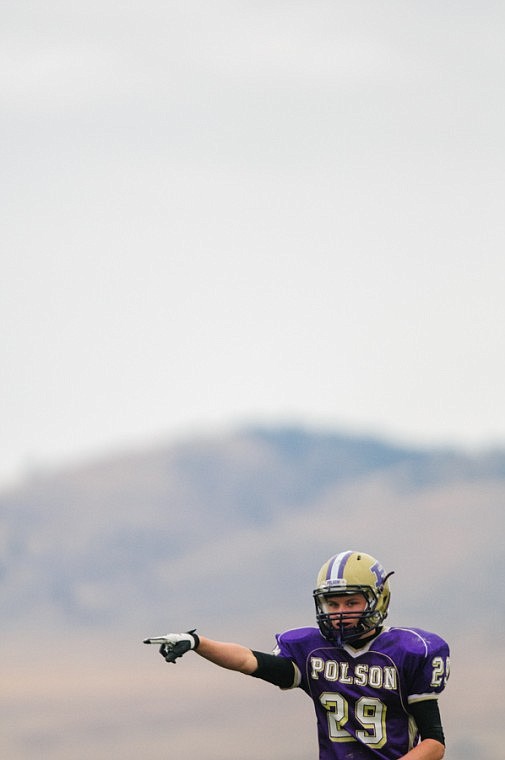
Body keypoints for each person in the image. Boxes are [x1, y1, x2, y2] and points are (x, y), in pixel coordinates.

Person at [145, 550, 450, 760]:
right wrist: (198, 642)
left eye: (351, 602)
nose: (340, 613)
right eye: (333, 604)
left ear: (377, 600)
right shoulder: (313, 650)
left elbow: (434, 744)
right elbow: (248, 661)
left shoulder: (409, 651)